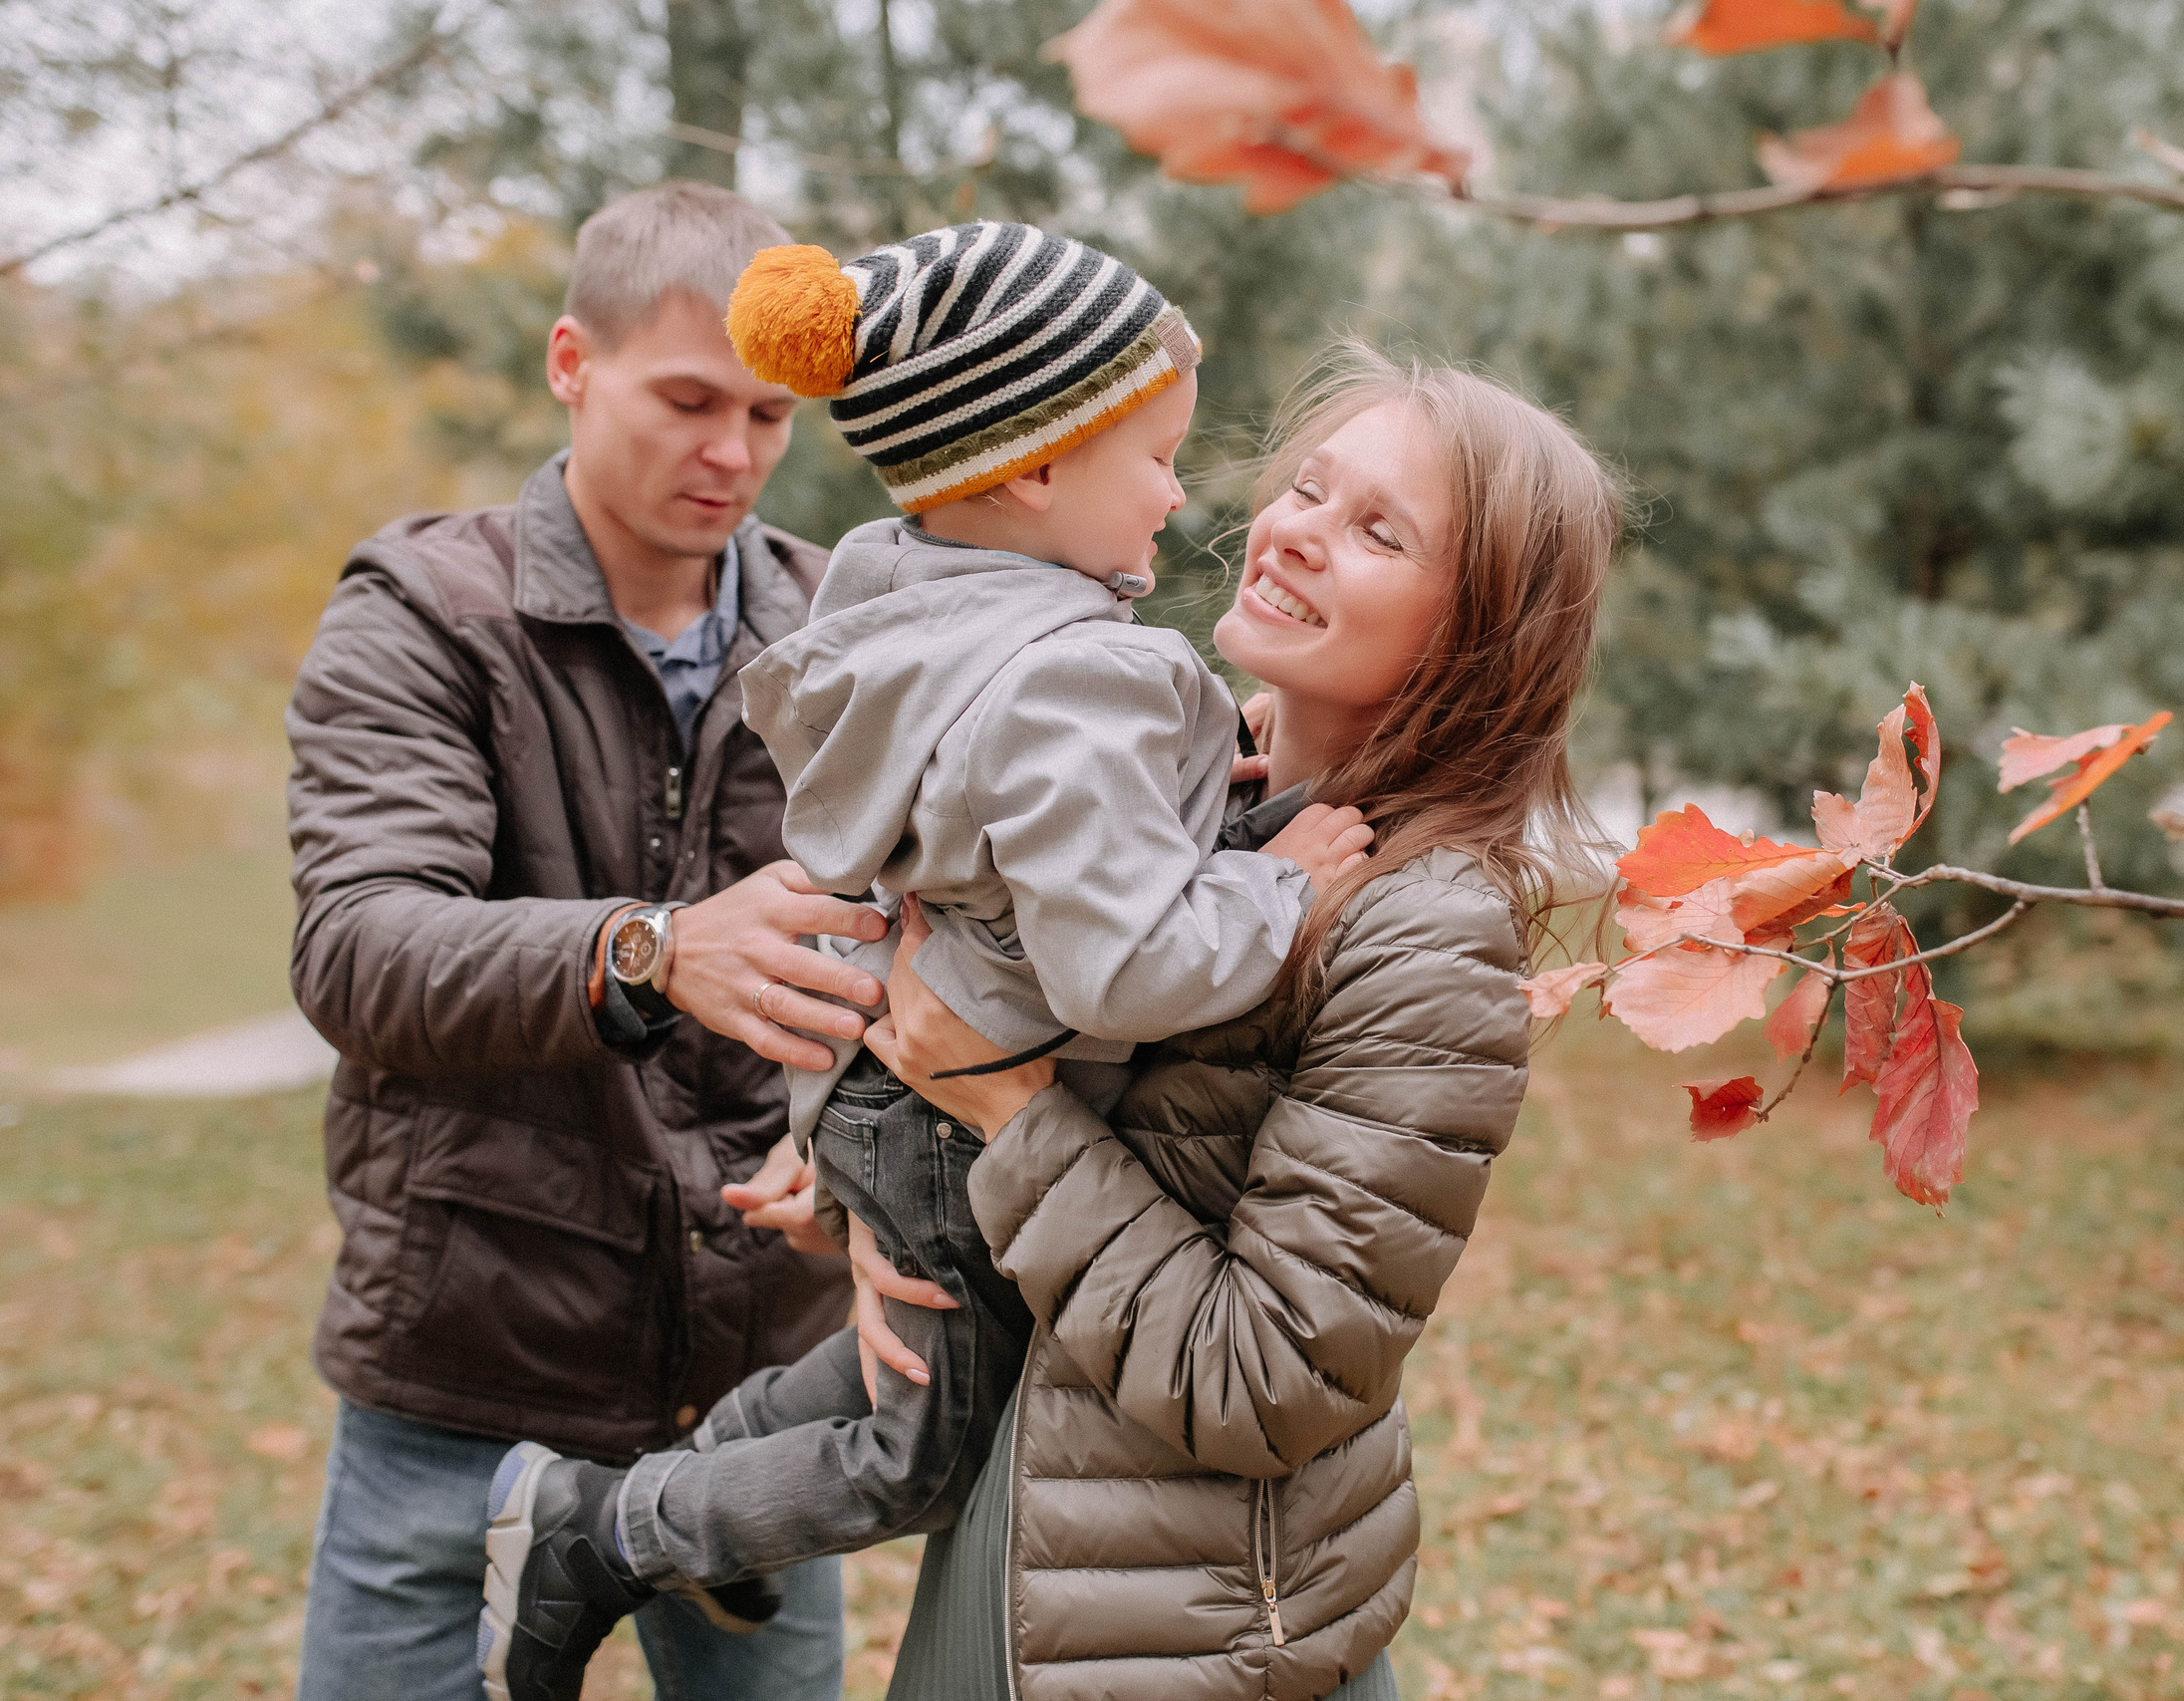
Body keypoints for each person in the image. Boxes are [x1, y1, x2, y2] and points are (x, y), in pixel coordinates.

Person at [475, 221, 1378, 1701]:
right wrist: (1274, 891)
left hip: (898, 1077)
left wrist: (1203, 777)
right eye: (1155, 453)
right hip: (969, 1097)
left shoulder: (900, 603)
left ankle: (718, 1508)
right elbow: (1121, 969)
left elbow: (1001, 834)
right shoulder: (1092, 667)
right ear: (1032, 468)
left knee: (903, 1361)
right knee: (924, 1451)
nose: (1178, 488)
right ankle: (606, 1530)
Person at [846, 342, 1619, 1700]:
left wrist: (1005, 1113)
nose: (1301, 535)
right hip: (1025, 1542)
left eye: (1380, 531)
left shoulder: (1427, 933)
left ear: (1480, 631)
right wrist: (880, 1221)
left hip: (1189, 1635)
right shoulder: (1152, 795)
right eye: (1310, 490)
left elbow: (1267, 1378)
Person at [284, 181, 886, 1701]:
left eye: (766, 415)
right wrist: (651, 950)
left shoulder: (848, 630)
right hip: (468, 1365)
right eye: (686, 400)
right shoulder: (422, 614)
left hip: (762, 1393)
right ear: (571, 362)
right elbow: (360, 950)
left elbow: (925, 943)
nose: (729, 455)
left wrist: (861, 1143)